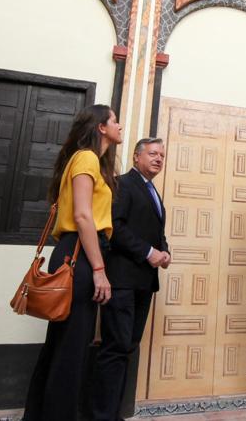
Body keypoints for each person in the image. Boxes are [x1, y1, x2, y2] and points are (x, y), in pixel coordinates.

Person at [22, 104, 122, 421]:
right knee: (70, 349)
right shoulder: (86, 158)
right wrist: (99, 270)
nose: (120, 125)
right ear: (101, 127)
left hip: (78, 252)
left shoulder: (93, 161)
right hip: (78, 254)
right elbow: (82, 215)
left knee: (63, 345)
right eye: (115, 121)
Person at [98, 138, 172, 420]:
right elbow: (113, 227)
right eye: (152, 153)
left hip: (143, 282)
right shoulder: (122, 184)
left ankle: (114, 413)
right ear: (136, 156)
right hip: (122, 280)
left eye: (162, 155)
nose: (158, 159)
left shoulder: (151, 189)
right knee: (115, 349)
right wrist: (148, 252)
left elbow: (153, 230)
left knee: (127, 348)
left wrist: (164, 250)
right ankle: (102, 415)